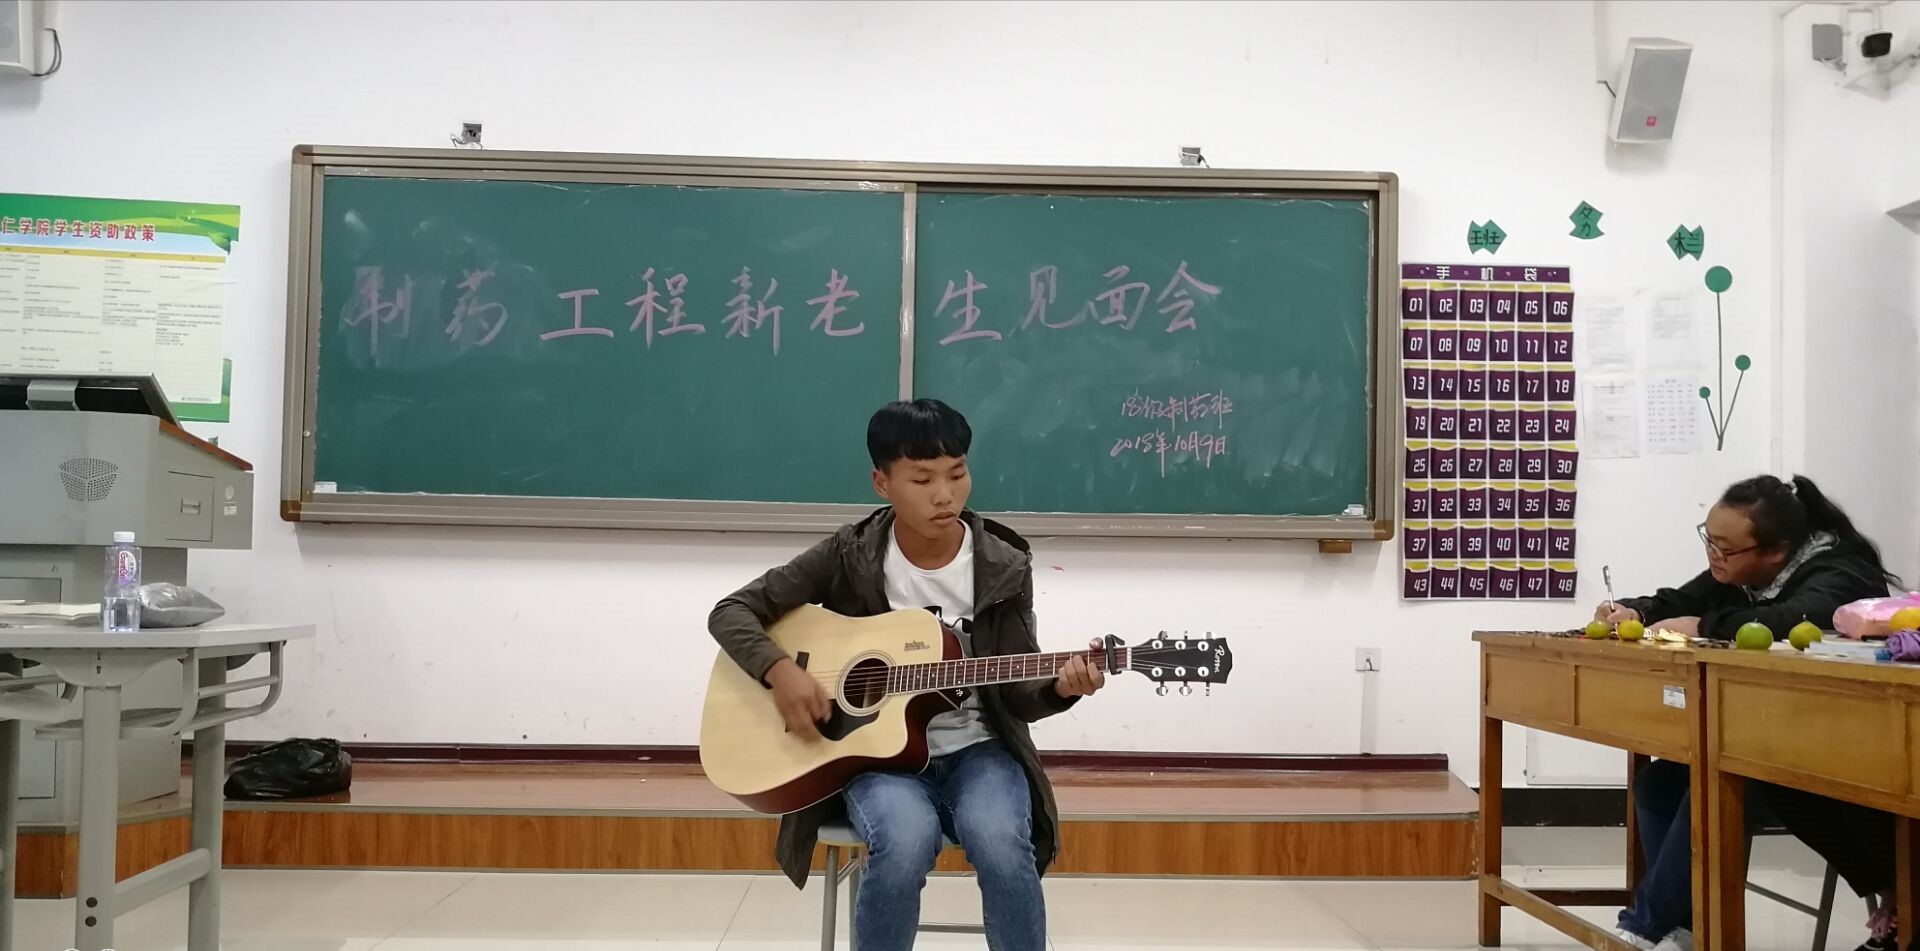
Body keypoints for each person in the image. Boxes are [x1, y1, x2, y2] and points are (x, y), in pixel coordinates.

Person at [708, 398, 1105, 951]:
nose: (945, 494)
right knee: (903, 844)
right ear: (882, 483)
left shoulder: (1003, 564)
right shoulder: (850, 555)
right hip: (878, 760)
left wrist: (1060, 688)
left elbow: (1017, 696)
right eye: (922, 479)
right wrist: (780, 670)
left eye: (957, 474)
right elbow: (731, 612)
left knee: (1002, 845)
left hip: (980, 749)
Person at [1596, 474, 1902, 951]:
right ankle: (1689, 925)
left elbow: (1793, 620)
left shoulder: (1841, 573)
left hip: (1845, 747)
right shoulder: (1742, 570)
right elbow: (1683, 600)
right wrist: (1635, 611)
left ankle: (1642, 929)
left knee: (1715, 782)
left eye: (1724, 547)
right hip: (1773, 735)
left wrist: (1704, 624)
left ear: (1776, 552)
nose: (1712, 555)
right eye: (1708, 539)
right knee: (1659, 783)